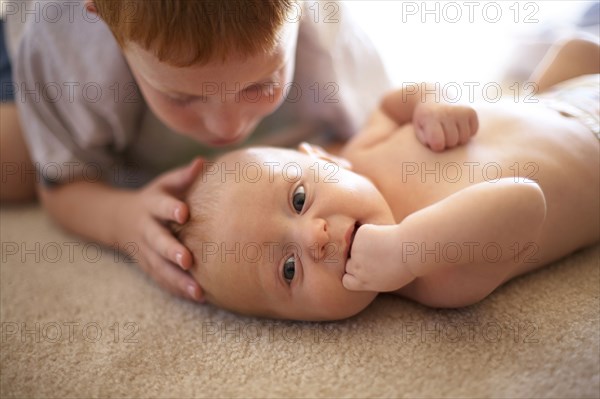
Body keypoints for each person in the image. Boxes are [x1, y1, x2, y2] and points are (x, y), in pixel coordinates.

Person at [173, 38, 599, 321]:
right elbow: (524, 201)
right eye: (288, 269)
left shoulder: (361, 151)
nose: (314, 236)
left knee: (575, 48)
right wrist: (406, 251)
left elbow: (397, 103)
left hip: (553, 99)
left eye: (299, 199)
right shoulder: (435, 276)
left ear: (323, 158)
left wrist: (433, 102)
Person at [2, 1, 390, 301]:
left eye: (259, 85)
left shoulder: (327, 36)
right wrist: (124, 222)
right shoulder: (68, 53)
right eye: (182, 97)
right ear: (100, 15)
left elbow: (377, 127)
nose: (228, 127)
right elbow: (60, 188)